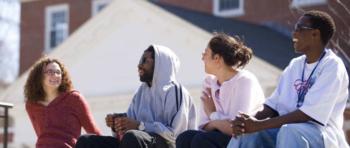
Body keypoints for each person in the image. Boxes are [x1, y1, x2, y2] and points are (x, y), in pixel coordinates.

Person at [228, 10, 349, 148]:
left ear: (315, 34)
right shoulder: (295, 65)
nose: (294, 33)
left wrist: (259, 125)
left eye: (299, 28)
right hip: (287, 130)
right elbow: (272, 105)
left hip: (323, 135)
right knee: (246, 133)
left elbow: (308, 114)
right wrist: (248, 121)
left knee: (289, 131)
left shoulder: (332, 66)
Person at [76, 45, 197, 148]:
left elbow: (174, 135)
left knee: (133, 136)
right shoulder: (141, 91)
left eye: (145, 61)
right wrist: (118, 122)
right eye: (140, 61)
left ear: (160, 65)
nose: (139, 65)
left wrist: (140, 126)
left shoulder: (174, 90)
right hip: (137, 141)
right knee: (86, 141)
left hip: (168, 145)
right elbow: (132, 122)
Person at [176, 33, 265, 148]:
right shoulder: (209, 83)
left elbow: (236, 128)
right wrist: (219, 122)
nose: (202, 57)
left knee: (202, 140)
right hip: (217, 136)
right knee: (185, 138)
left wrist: (213, 115)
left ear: (217, 59)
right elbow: (204, 126)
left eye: (206, 53)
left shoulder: (244, 80)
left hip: (245, 141)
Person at [24, 57, 101, 148]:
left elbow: (94, 133)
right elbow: (41, 135)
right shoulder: (31, 105)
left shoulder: (74, 99)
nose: (55, 75)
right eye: (50, 72)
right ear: (39, 76)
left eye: (58, 72)